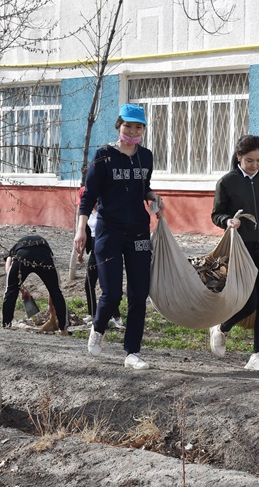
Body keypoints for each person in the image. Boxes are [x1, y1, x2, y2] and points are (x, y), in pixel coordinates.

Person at [74, 104, 164, 371]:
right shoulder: (103, 157)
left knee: (139, 293)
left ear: (143, 129)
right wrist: (81, 229)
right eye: (128, 126)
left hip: (138, 231)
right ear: (119, 127)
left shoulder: (145, 157)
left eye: (138, 127)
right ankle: (98, 328)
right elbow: (88, 196)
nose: (133, 131)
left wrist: (153, 197)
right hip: (108, 232)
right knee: (111, 293)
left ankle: (132, 352)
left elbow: (143, 187)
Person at [209, 135, 259, 371]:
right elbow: (216, 214)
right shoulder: (227, 182)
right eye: (249, 160)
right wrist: (227, 221)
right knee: (249, 300)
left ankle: (257, 355)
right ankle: (222, 328)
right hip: (240, 249)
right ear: (238, 157)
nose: (255, 165)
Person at [2, 235, 68, 335]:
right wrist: (51, 305)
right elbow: (53, 288)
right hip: (43, 256)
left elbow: (9, 273)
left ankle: (6, 325)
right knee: (56, 291)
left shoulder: (13, 250)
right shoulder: (47, 249)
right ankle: (63, 329)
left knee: (10, 291)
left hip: (22, 256)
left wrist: (21, 288)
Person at [77, 188, 123, 329]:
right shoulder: (88, 213)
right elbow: (86, 233)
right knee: (89, 282)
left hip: (106, 248)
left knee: (107, 284)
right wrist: (81, 252)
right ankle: (92, 313)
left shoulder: (105, 210)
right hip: (94, 249)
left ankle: (116, 317)